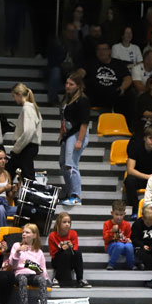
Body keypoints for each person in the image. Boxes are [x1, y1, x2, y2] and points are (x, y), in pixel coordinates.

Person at [2, 223, 49, 304]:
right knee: (23, 279)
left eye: (27, 232)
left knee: (42, 280)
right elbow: (12, 265)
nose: (24, 234)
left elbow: (43, 270)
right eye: (23, 232)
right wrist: (17, 253)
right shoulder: (16, 245)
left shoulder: (39, 251)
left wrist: (36, 269)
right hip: (19, 274)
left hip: (33, 275)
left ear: (34, 235)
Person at [58, 73, 90, 205]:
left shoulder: (82, 100)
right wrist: (62, 133)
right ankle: (69, 191)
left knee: (71, 164)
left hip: (78, 134)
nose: (67, 86)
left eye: (71, 84)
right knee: (63, 163)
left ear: (78, 86)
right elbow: (64, 118)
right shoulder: (67, 98)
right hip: (68, 133)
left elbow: (84, 122)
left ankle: (76, 195)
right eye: (67, 83)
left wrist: (79, 140)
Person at [7, 83, 41, 181]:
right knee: (13, 171)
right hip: (28, 146)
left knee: (26, 175)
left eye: (14, 96)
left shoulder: (27, 108)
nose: (14, 99)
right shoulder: (32, 107)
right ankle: (5, 188)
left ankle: (4, 188)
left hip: (26, 147)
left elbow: (29, 131)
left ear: (19, 94)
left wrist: (17, 148)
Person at [48, 212, 88, 288]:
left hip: (70, 260)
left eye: (69, 222)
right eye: (64, 222)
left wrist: (70, 247)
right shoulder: (52, 235)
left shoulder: (73, 233)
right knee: (65, 253)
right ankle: (57, 278)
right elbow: (52, 253)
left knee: (78, 253)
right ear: (59, 223)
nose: (67, 224)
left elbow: (75, 249)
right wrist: (61, 249)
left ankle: (80, 279)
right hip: (57, 261)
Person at [103, 199, 135, 271]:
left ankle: (131, 265)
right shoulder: (107, 224)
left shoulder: (127, 224)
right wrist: (111, 231)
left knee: (129, 246)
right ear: (112, 213)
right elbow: (105, 239)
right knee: (120, 245)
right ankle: (111, 264)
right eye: (116, 214)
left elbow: (128, 237)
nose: (119, 217)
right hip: (111, 246)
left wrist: (129, 240)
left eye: (121, 215)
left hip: (124, 245)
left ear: (124, 214)